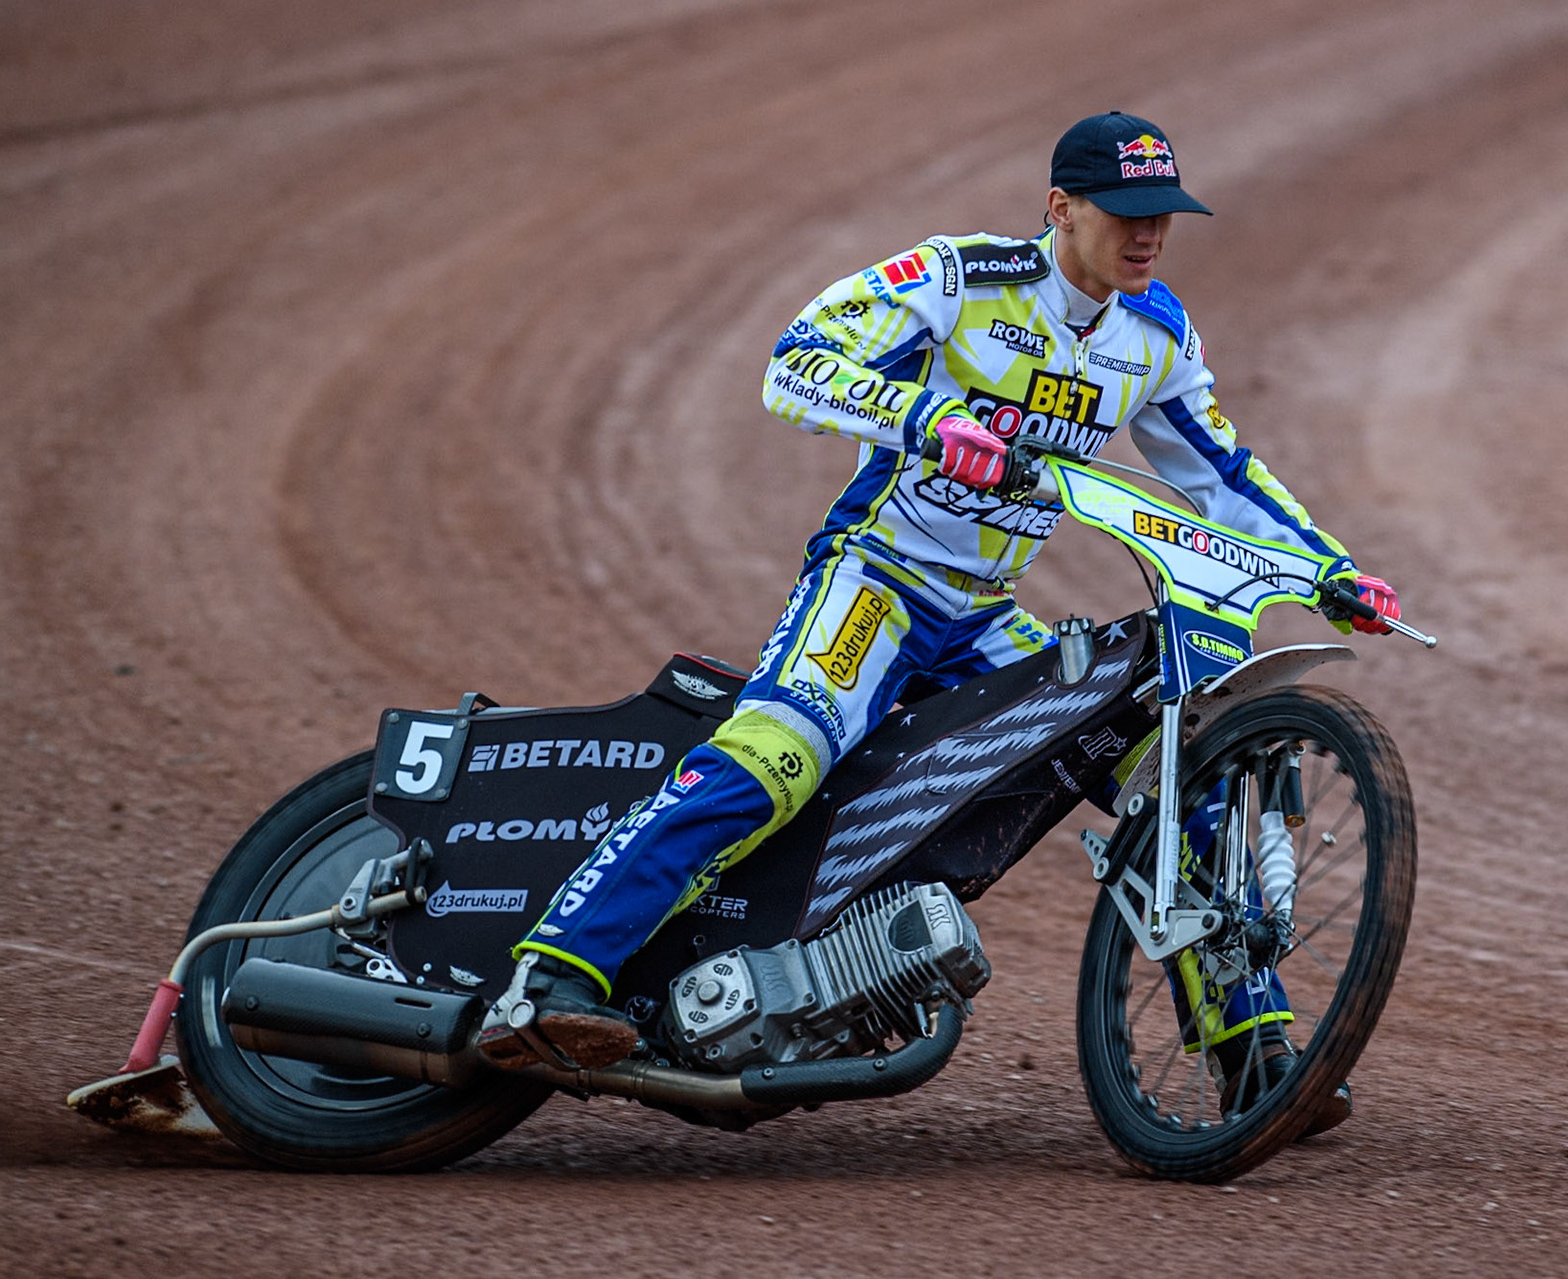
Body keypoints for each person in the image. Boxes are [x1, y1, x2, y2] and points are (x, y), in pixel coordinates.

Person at [475, 112, 1400, 1119]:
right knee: (777, 757)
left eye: (1164, 216)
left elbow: (1224, 473)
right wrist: (925, 418)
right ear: (1061, 208)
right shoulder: (966, 278)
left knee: (1174, 773)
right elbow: (796, 360)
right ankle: (549, 977)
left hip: (985, 620)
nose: (1149, 237)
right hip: (874, 581)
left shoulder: (1157, 334)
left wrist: (1332, 570)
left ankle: (1257, 1053)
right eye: (1127, 214)